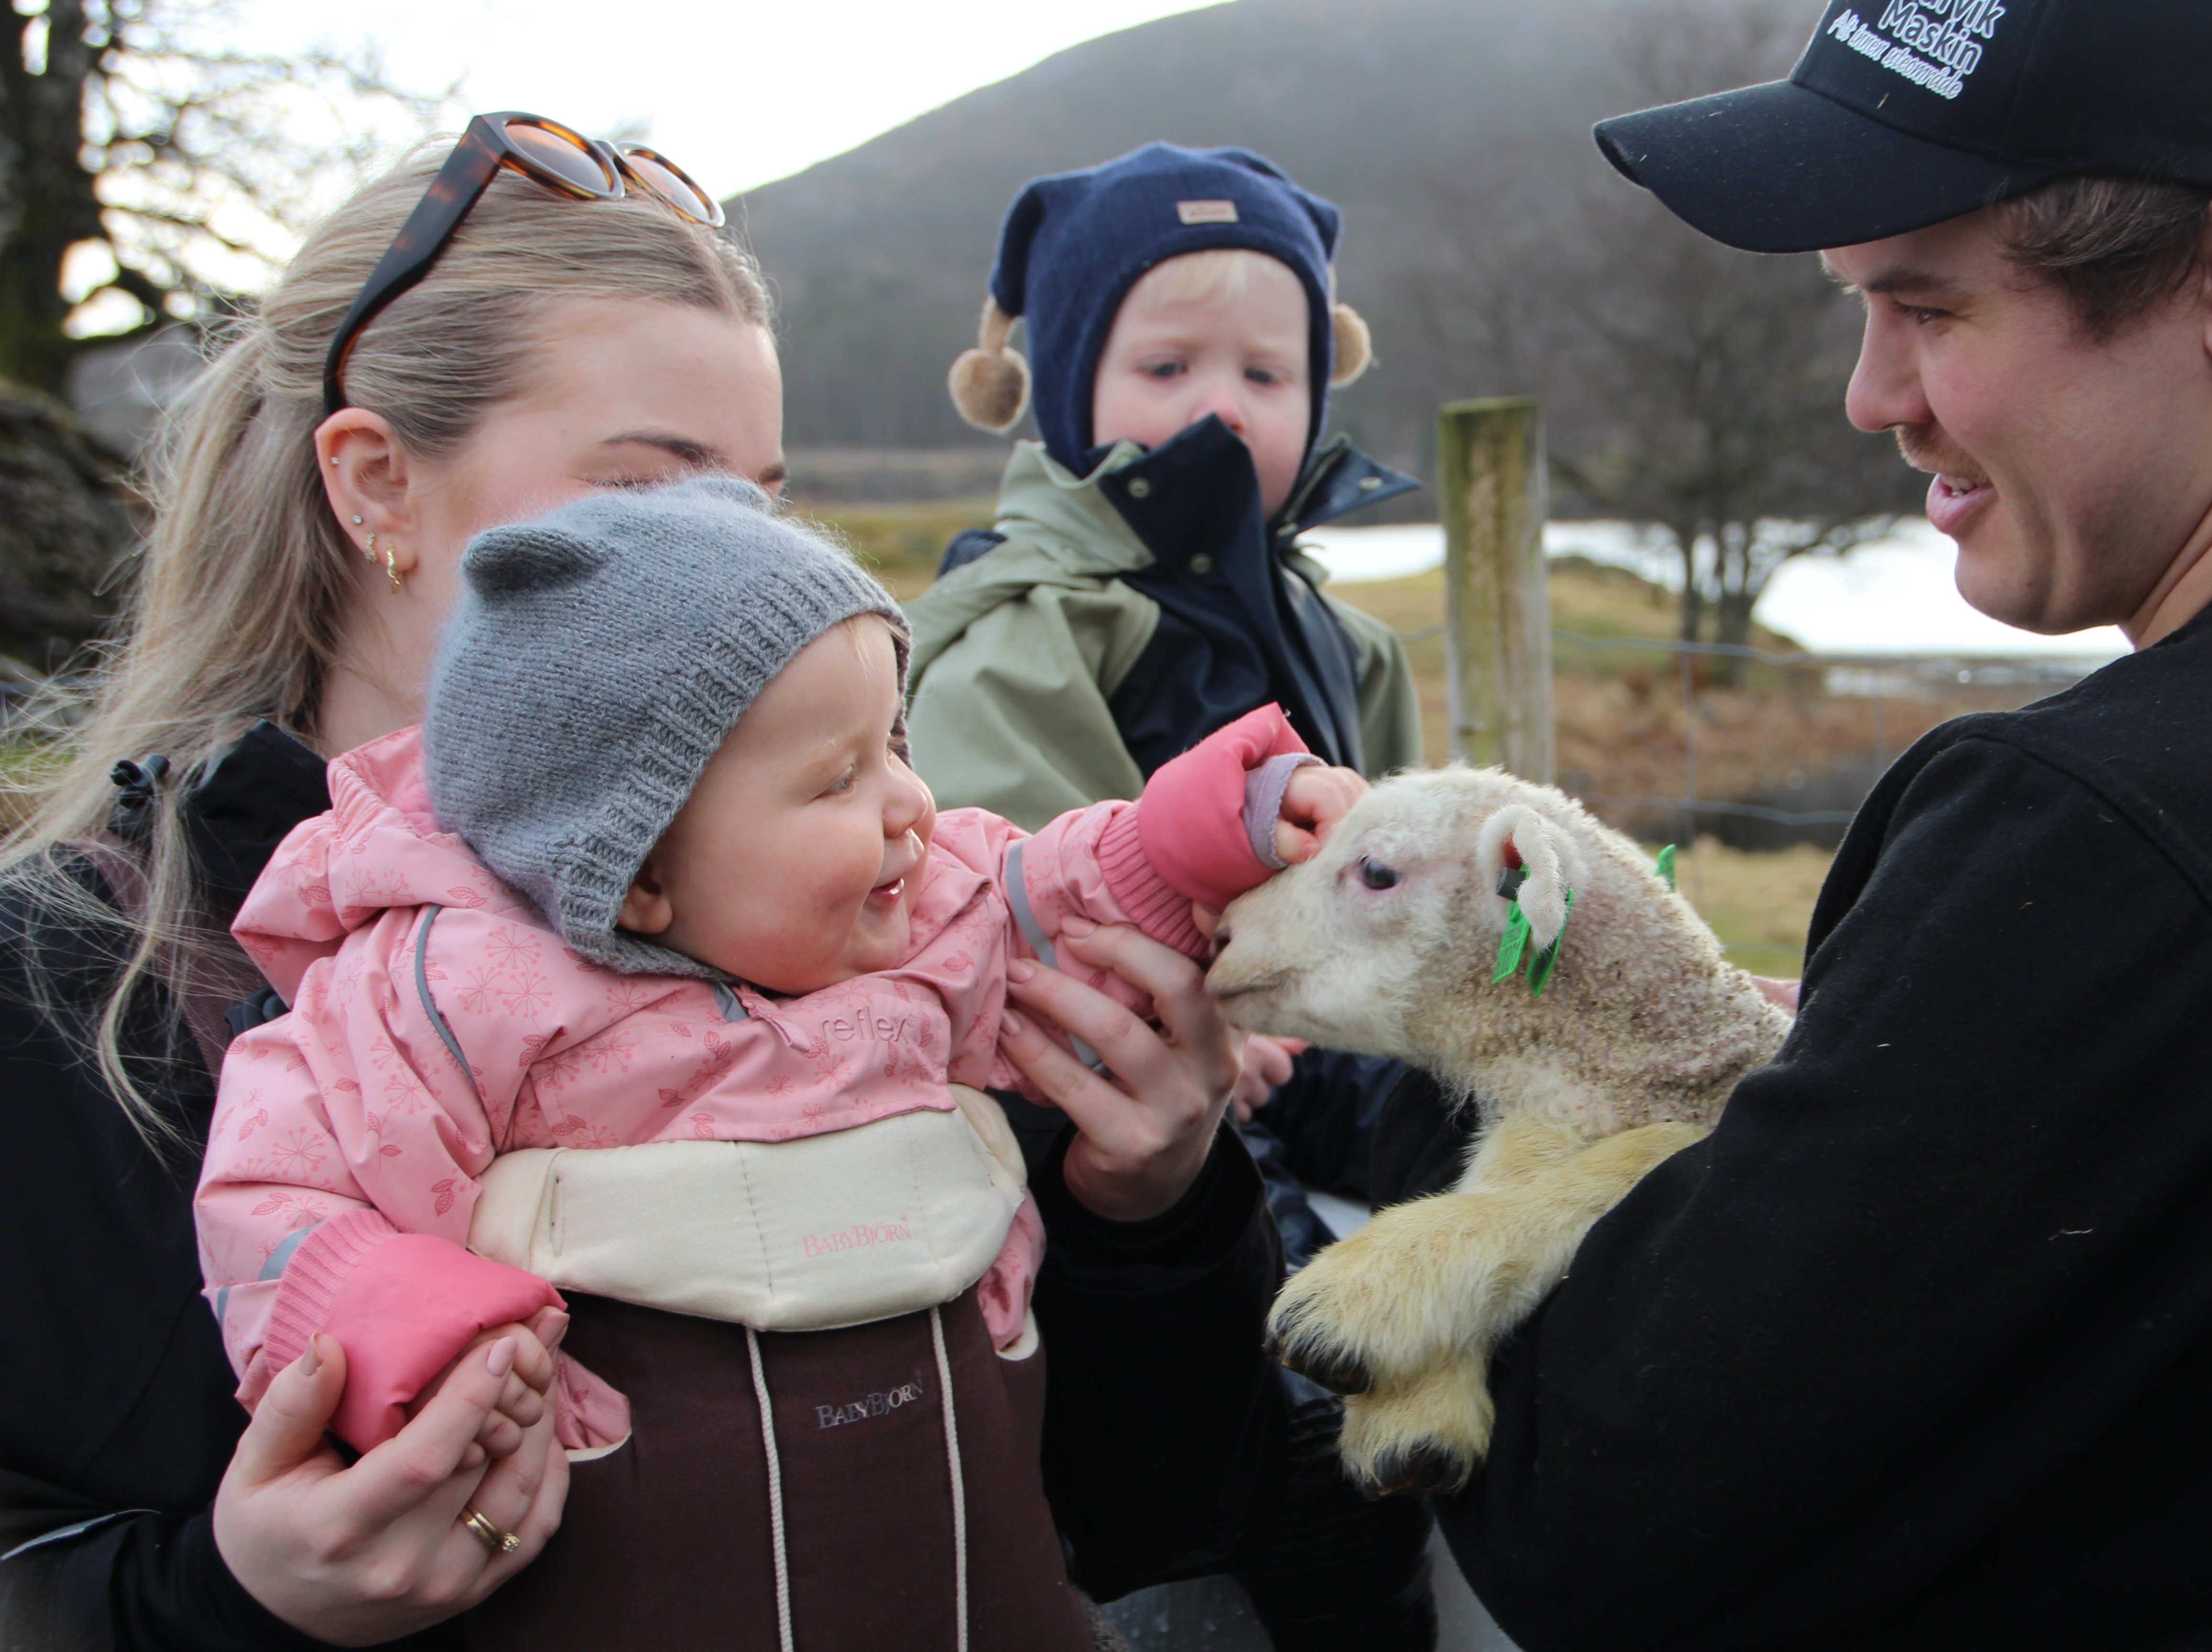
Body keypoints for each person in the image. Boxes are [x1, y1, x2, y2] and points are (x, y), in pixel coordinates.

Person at [2, 113, 1278, 1652]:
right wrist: (237, 1601)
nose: (732, 569)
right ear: (377, 490)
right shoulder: (80, 994)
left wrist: (1148, 1216)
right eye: (649, 495)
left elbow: (1136, 1523)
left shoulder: (866, 905)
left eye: (761, 504)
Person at [1367, 0, 2212, 1645]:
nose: (1870, 396)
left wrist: (1448, 1028)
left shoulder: (2113, 842)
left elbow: (1612, 1520)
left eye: (1922, 304)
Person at [194, 477, 1357, 1649]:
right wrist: (404, 1329)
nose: (912, 801)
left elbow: (1065, 889)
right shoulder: (455, 989)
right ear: (639, 875)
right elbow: (283, 1180)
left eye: (893, 741)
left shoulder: (921, 919)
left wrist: (1222, 822)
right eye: (837, 777)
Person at [907, 141, 1437, 1651]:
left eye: (1270, 373)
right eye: (1165, 363)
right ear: (1065, 386)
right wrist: (1201, 1005)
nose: (1223, 405)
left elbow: (1393, 868)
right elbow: (1031, 893)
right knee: (1323, 1391)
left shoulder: (1341, 632)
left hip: (1324, 1052)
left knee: (1527, 1173)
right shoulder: (1033, 631)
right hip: (1136, 1094)